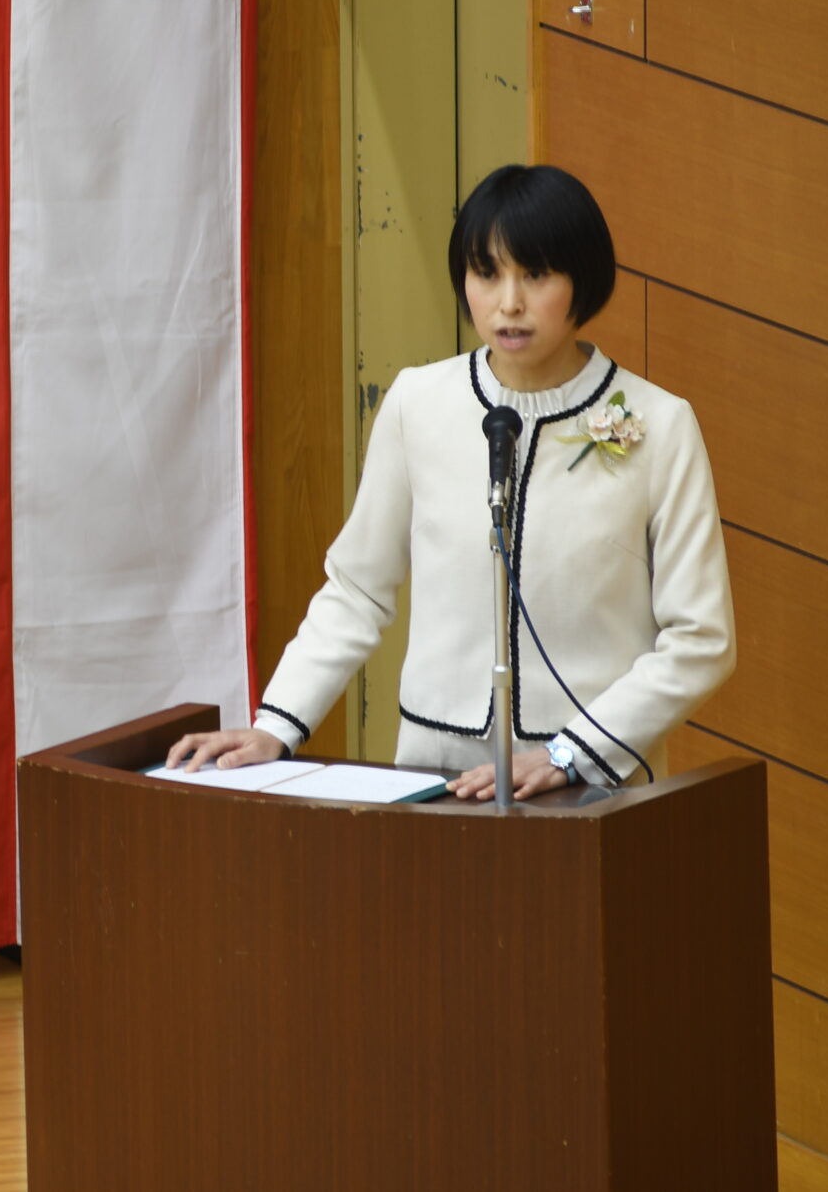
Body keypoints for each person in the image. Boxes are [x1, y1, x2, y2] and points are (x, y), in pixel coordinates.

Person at [167, 164, 734, 797]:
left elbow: (701, 639)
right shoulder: (418, 402)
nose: (509, 303)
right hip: (434, 775)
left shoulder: (661, 425)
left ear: (585, 278)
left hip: (594, 782)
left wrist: (571, 753)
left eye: (536, 274)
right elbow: (357, 589)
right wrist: (275, 725)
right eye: (487, 274)